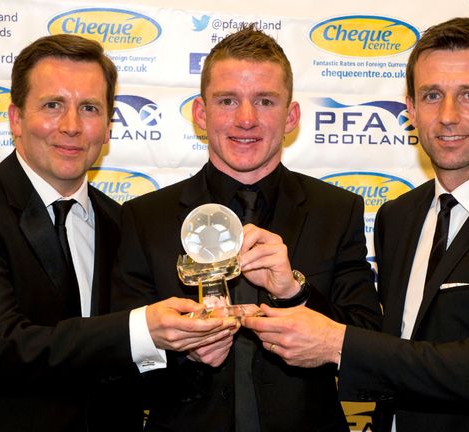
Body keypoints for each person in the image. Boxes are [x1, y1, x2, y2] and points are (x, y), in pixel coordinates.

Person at [244, 17, 469, 432]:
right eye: (431, 95)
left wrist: (334, 344)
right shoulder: (399, 216)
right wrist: (294, 291)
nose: (447, 115)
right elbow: (388, 344)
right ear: (410, 108)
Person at [0, 34, 234, 432]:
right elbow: (0, 351)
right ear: (16, 118)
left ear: (107, 127)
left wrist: (187, 350)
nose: (71, 126)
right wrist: (142, 329)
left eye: (89, 108)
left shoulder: (122, 224)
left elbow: (125, 365)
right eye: (53, 105)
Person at [111, 25, 382, 432]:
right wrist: (188, 358)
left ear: (291, 117)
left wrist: (294, 292)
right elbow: (122, 359)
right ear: (201, 113)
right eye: (227, 100)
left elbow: (365, 342)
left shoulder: (337, 210)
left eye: (265, 101)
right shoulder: (144, 217)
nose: (246, 119)